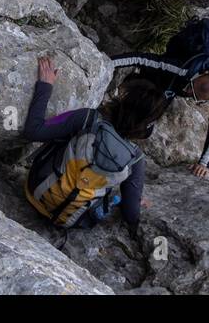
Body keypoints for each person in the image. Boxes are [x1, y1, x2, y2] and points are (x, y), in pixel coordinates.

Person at [22, 54, 164, 238]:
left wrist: (45, 85)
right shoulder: (135, 160)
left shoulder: (87, 119)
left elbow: (33, 131)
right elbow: (131, 214)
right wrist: (135, 202)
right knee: (110, 194)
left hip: (34, 192)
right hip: (69, 221)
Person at [110, 18, 209, 179]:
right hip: (163, 78)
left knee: (145, 131)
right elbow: (141, 59)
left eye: (193, 96)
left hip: (173, 85)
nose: (188, 91)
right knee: (138, 115)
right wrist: (108, 63)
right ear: (201, 75)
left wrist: (204, 162)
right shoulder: (182, 68)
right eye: (191, 86)